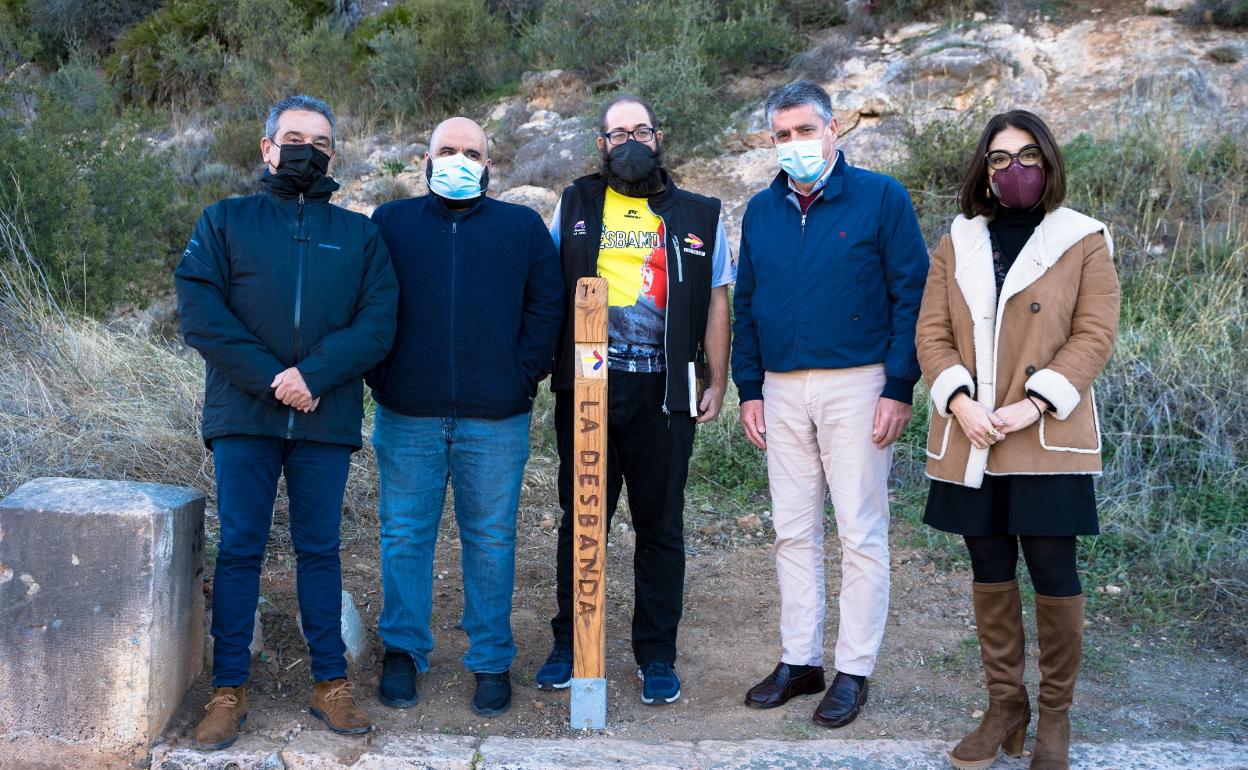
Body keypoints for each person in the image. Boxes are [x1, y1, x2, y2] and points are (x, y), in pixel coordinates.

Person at [175, 95, 398, 750]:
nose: (307, 149)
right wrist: (274, 377)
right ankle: (227, 690)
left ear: (334, 154)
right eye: (294, 137)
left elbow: (378, 322)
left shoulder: (361, 235)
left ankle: (331, 684)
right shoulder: (225, 221)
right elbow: (201, 312)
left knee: (320, 551)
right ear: (267, 147)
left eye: (320, 141)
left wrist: (314, 376)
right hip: (244, 416)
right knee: (241, 549)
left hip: (323, 420)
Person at [916, 109, 1119, 770]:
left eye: (1027, 155)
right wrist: (959, 399)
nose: (1014, 170)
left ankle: (1054, 716)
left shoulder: (1083, 239)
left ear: (1049, 162)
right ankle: (1006, 705)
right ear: (984, 170)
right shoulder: (958, 240)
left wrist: (1037, 403)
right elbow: (931, 333)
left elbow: (1095, 334)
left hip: (1045, 434)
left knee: (1055, 572)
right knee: (989, 569)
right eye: (999, 159)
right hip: (973, 434)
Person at [731, 80, 929, 728]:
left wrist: (900, 385)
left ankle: (854, 670)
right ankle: (800, 661)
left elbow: (912, 294)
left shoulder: (881, 198)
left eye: (805, 131)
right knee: (792, 530)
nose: (795, 144)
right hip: (782, 391)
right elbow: (746, 307)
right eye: (783, 135)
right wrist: (749, 388)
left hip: (860, 384)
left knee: (860, 531)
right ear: (772, 141)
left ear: (833, 128)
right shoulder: (760, 211)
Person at [534, 95, 735, 705]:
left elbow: (719, 299)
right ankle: (571, 642)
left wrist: (717, 380)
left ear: (658, 137)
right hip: (587, 386)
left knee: (660, 526)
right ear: (600, 143)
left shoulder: (700, 214)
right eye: (616, 131)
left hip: (665, 391)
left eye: (640, 130)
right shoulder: (574, 203)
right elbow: (547, 288)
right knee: (582, 517)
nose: (629, 140)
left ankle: (655, 655)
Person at [366, 117, 564, 718]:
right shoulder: (391, 223)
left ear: (489, 164)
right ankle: (402, 651)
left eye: (470, 152)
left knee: (491, 539)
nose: (458, 159)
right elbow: (368, 302)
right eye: (447, 150)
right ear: (424, 160)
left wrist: (520, 376)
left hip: (495, 419)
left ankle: (491, 658)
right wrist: (386, 376)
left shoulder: (521, 227)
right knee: (404, 536)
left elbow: (547, 306)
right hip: (407, 414)